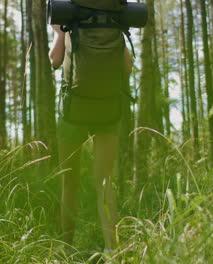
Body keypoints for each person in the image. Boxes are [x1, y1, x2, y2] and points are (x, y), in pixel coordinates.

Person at [49, 24, 132, 252]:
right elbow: (128, 66)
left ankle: (67, 248)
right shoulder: (111, 24)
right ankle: (111, 250)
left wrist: (60, 33)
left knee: (70, 182)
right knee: (105, 182)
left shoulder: (70, 22)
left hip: (73, 110)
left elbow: (54, 60)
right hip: (108, 109)